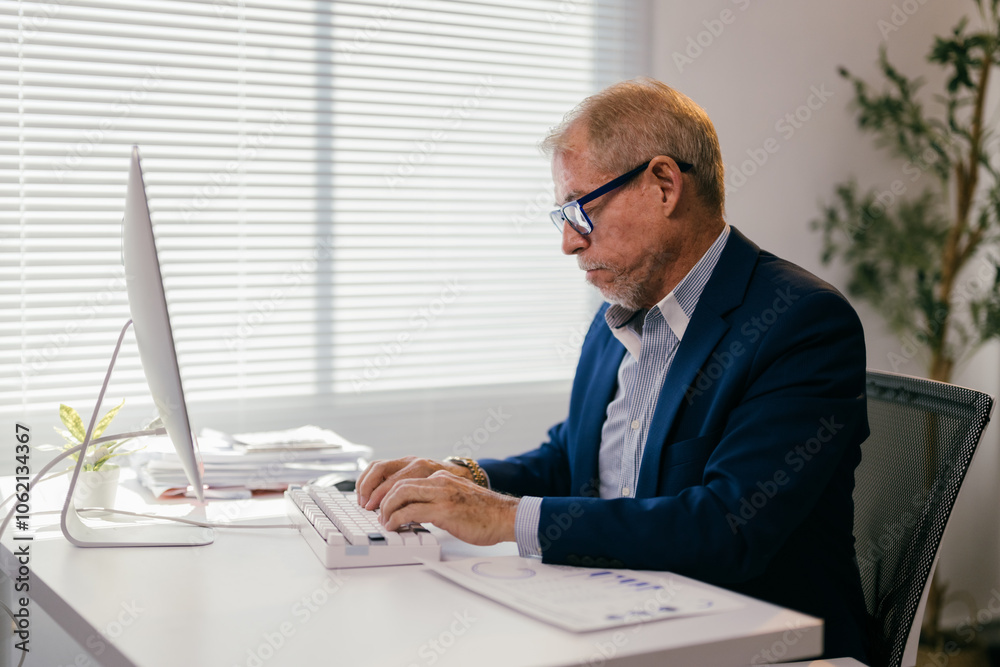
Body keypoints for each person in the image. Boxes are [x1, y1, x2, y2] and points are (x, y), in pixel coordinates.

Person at [356, 78, 870, 661]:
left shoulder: (799, 323)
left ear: (663, 186)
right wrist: (463, 477)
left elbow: (729, 525)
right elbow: (573, 459)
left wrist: (504, 518)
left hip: (759, 644)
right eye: (562, 217)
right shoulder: (621, 316)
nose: (570, 244)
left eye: (581, 209)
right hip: (627, 615)